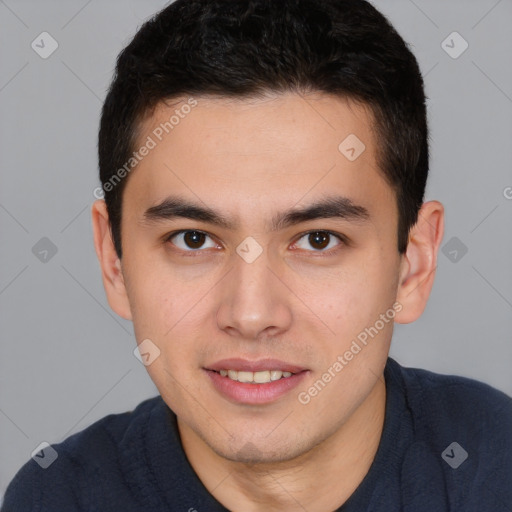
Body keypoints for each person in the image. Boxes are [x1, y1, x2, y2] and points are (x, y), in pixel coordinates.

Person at [3, 0, 511, 510]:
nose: (251, 315)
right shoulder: (55, 499)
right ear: (114, 261)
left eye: (318, 240)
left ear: (413, 265)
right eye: (193, 239)